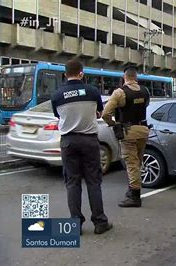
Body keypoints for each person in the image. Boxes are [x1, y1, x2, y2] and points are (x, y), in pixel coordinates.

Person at [51, 59, 112, 235]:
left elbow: (58, 116)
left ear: (65, 74)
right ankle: (100, 222)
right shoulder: (92, 92)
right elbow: (99, 112)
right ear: (81, 73)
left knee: (72, 182)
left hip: (68, 142)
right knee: (93, 181)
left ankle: (75, 224)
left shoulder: (57, 95)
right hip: (89, 141)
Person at [102, 66, 149, 208]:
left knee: (131, 164)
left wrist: (114, 124)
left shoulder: (120, 93)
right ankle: (131, 191)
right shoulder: (145, 91)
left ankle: (134, 197)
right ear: (136, 77)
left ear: (124, 77)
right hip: (143, 130)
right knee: (138, 162)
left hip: (128, 132)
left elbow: (105, 114)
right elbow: (144, 105)